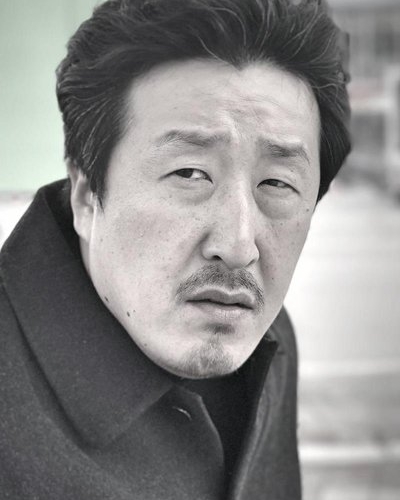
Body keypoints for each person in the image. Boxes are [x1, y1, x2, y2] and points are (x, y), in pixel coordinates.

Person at [0, 0, 350, 498]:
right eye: (189, 173)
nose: (238, 247)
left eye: (276, 182)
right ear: (86, 193)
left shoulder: (270, 343)